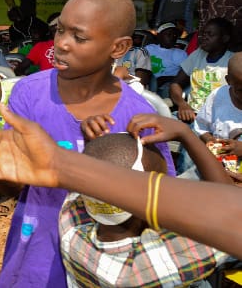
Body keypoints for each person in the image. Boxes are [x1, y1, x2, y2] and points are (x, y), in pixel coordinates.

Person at [0, 0, 175, 288]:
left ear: (118, 48)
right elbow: (13, 187)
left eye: (78, 37)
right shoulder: (30, 93)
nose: (62, 44)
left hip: (105, 264)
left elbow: (158, 201)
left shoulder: (137, 116)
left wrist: (103, 155)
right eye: (59, 31)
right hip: (37, 255)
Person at [0, 106, 242, 262]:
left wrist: (94, 147)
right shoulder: (168, 258)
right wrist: (185, 134)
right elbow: (230, 213)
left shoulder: (73, 232)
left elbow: (85, 188)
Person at [60, 117, 232, 288]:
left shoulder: (70, 225)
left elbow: (89, 181)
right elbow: (231, 209)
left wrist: (96, 149)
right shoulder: (163, 262)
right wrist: (185, 133)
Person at [170, 17, 234, 123]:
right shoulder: (198, 55)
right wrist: (182, 104)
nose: (205, 38)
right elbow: (175, 84)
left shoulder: (232, 60)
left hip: (218, 119)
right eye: (204, 34)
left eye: (210, 34)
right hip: (191, 115)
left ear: (224, 38)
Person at [193, 52, 242, 153]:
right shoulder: (218, 96)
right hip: (219, 158)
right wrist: (210, 141)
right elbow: (201, 126)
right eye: (240, 90)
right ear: (229, 81)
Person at [144, 22, 187, 98]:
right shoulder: (150, 48)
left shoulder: (180, 54)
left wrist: (166, 79)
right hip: (148, 82)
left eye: (174, 35)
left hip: (166, 85)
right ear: (159, 36)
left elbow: (186, 74)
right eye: (169, 34)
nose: (172, 37)